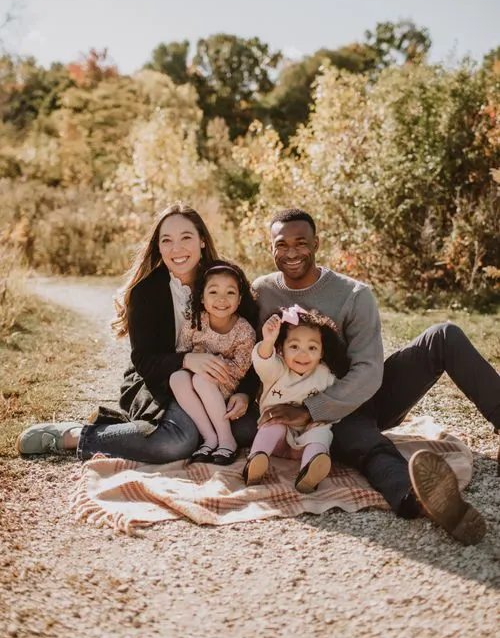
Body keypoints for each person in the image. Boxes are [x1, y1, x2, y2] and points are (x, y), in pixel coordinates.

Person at [252, 207, 500, 545]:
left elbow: (369, 371)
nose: (291, 252)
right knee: (369, 445)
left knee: (443, 336)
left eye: (301, 243)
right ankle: (418, 498)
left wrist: (314, 409)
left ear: (316, 244)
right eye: (281, 244)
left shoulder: (353, 294)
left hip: (354, 398)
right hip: (293, 407)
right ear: (270, 247)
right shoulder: (262, 292)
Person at [16, 203, 259, 462]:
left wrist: (245, 391)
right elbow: (144, 361)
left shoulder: (225, 279)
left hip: (222, 380)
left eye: (186, 237)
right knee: (176, 443)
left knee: (248, 430)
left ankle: (183, 431)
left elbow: (251, 344)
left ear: (201, 240)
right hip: (162, 379)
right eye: (167, 240)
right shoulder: (146, 292)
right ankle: (78, 435)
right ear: (159, 247)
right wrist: (187, 360)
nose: (177, 248)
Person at [244, 305, 348, 493]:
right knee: (273, 425)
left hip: (307, 437)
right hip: (278, 440)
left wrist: (320, 419)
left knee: (322, 433)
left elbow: (337, 402)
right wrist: (268, 340)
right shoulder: (277, 369)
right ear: (281, 349)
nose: (303, 354)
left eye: (312, 347)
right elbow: (263, 361)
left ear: (322, 352)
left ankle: (309, 472)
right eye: (294, 346)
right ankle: (256, 461)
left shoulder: (325, 374)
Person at [170, 260, 257, 465]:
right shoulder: (195, 322)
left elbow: (241, 369)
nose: (221, 299)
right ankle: (210, 438)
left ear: (239, 299)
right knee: (177, 377)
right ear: (202, 297)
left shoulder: (244, 330)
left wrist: (212, 365)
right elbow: (182, 352)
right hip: (196, 379)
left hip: (227, 382)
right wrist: (197, 361)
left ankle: (227, 440)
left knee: (202, 379)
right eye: (213, 292)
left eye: (230, 293)